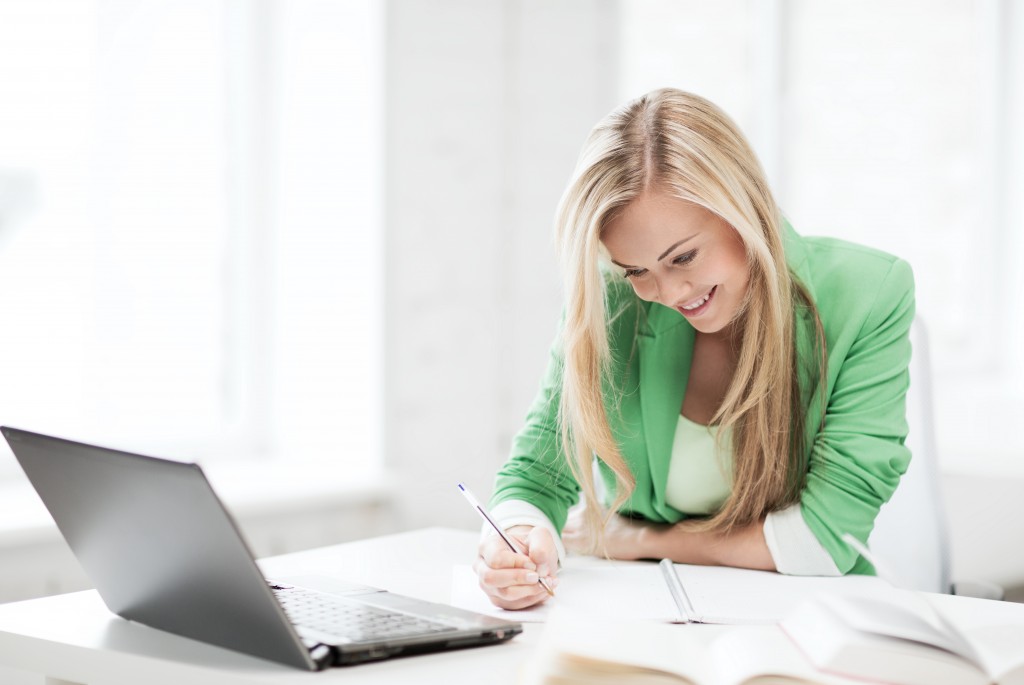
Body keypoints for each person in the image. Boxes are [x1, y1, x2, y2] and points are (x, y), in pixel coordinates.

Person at [473, 88, 916, 611]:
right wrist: (516, 540)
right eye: (637, 270)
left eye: (682, 256)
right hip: (645, 613)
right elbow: (536, 472)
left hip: (806, 619)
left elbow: (826, 539)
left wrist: (641, 542)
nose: (669, 293)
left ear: (741, 205)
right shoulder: (611, 299)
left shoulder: (870, 294)